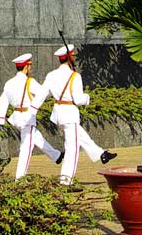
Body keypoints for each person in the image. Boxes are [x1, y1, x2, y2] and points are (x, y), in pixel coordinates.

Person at [43, 44, 116, 185]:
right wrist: (87, 97)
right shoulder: (74, 76)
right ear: (70, 57)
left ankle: (101, 154)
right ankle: (66, 181)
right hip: (69, 113)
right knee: (72, 149)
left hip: (59, 113)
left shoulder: (51, 75)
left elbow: (43, 94)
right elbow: (78, 99)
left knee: (80, 135)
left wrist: (32, 106)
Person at [0, 53, 63, 178]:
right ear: (26, 67)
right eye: (29, 66)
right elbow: (43, 93)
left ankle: (56, 155)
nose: (30, 68)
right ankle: (20, 178)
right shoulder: (29, 82)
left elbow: (3, 101)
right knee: (26, 148)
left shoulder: (9, 83)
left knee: (35, 137)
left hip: (17, 117)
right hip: (27, 117)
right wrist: (52, 88)